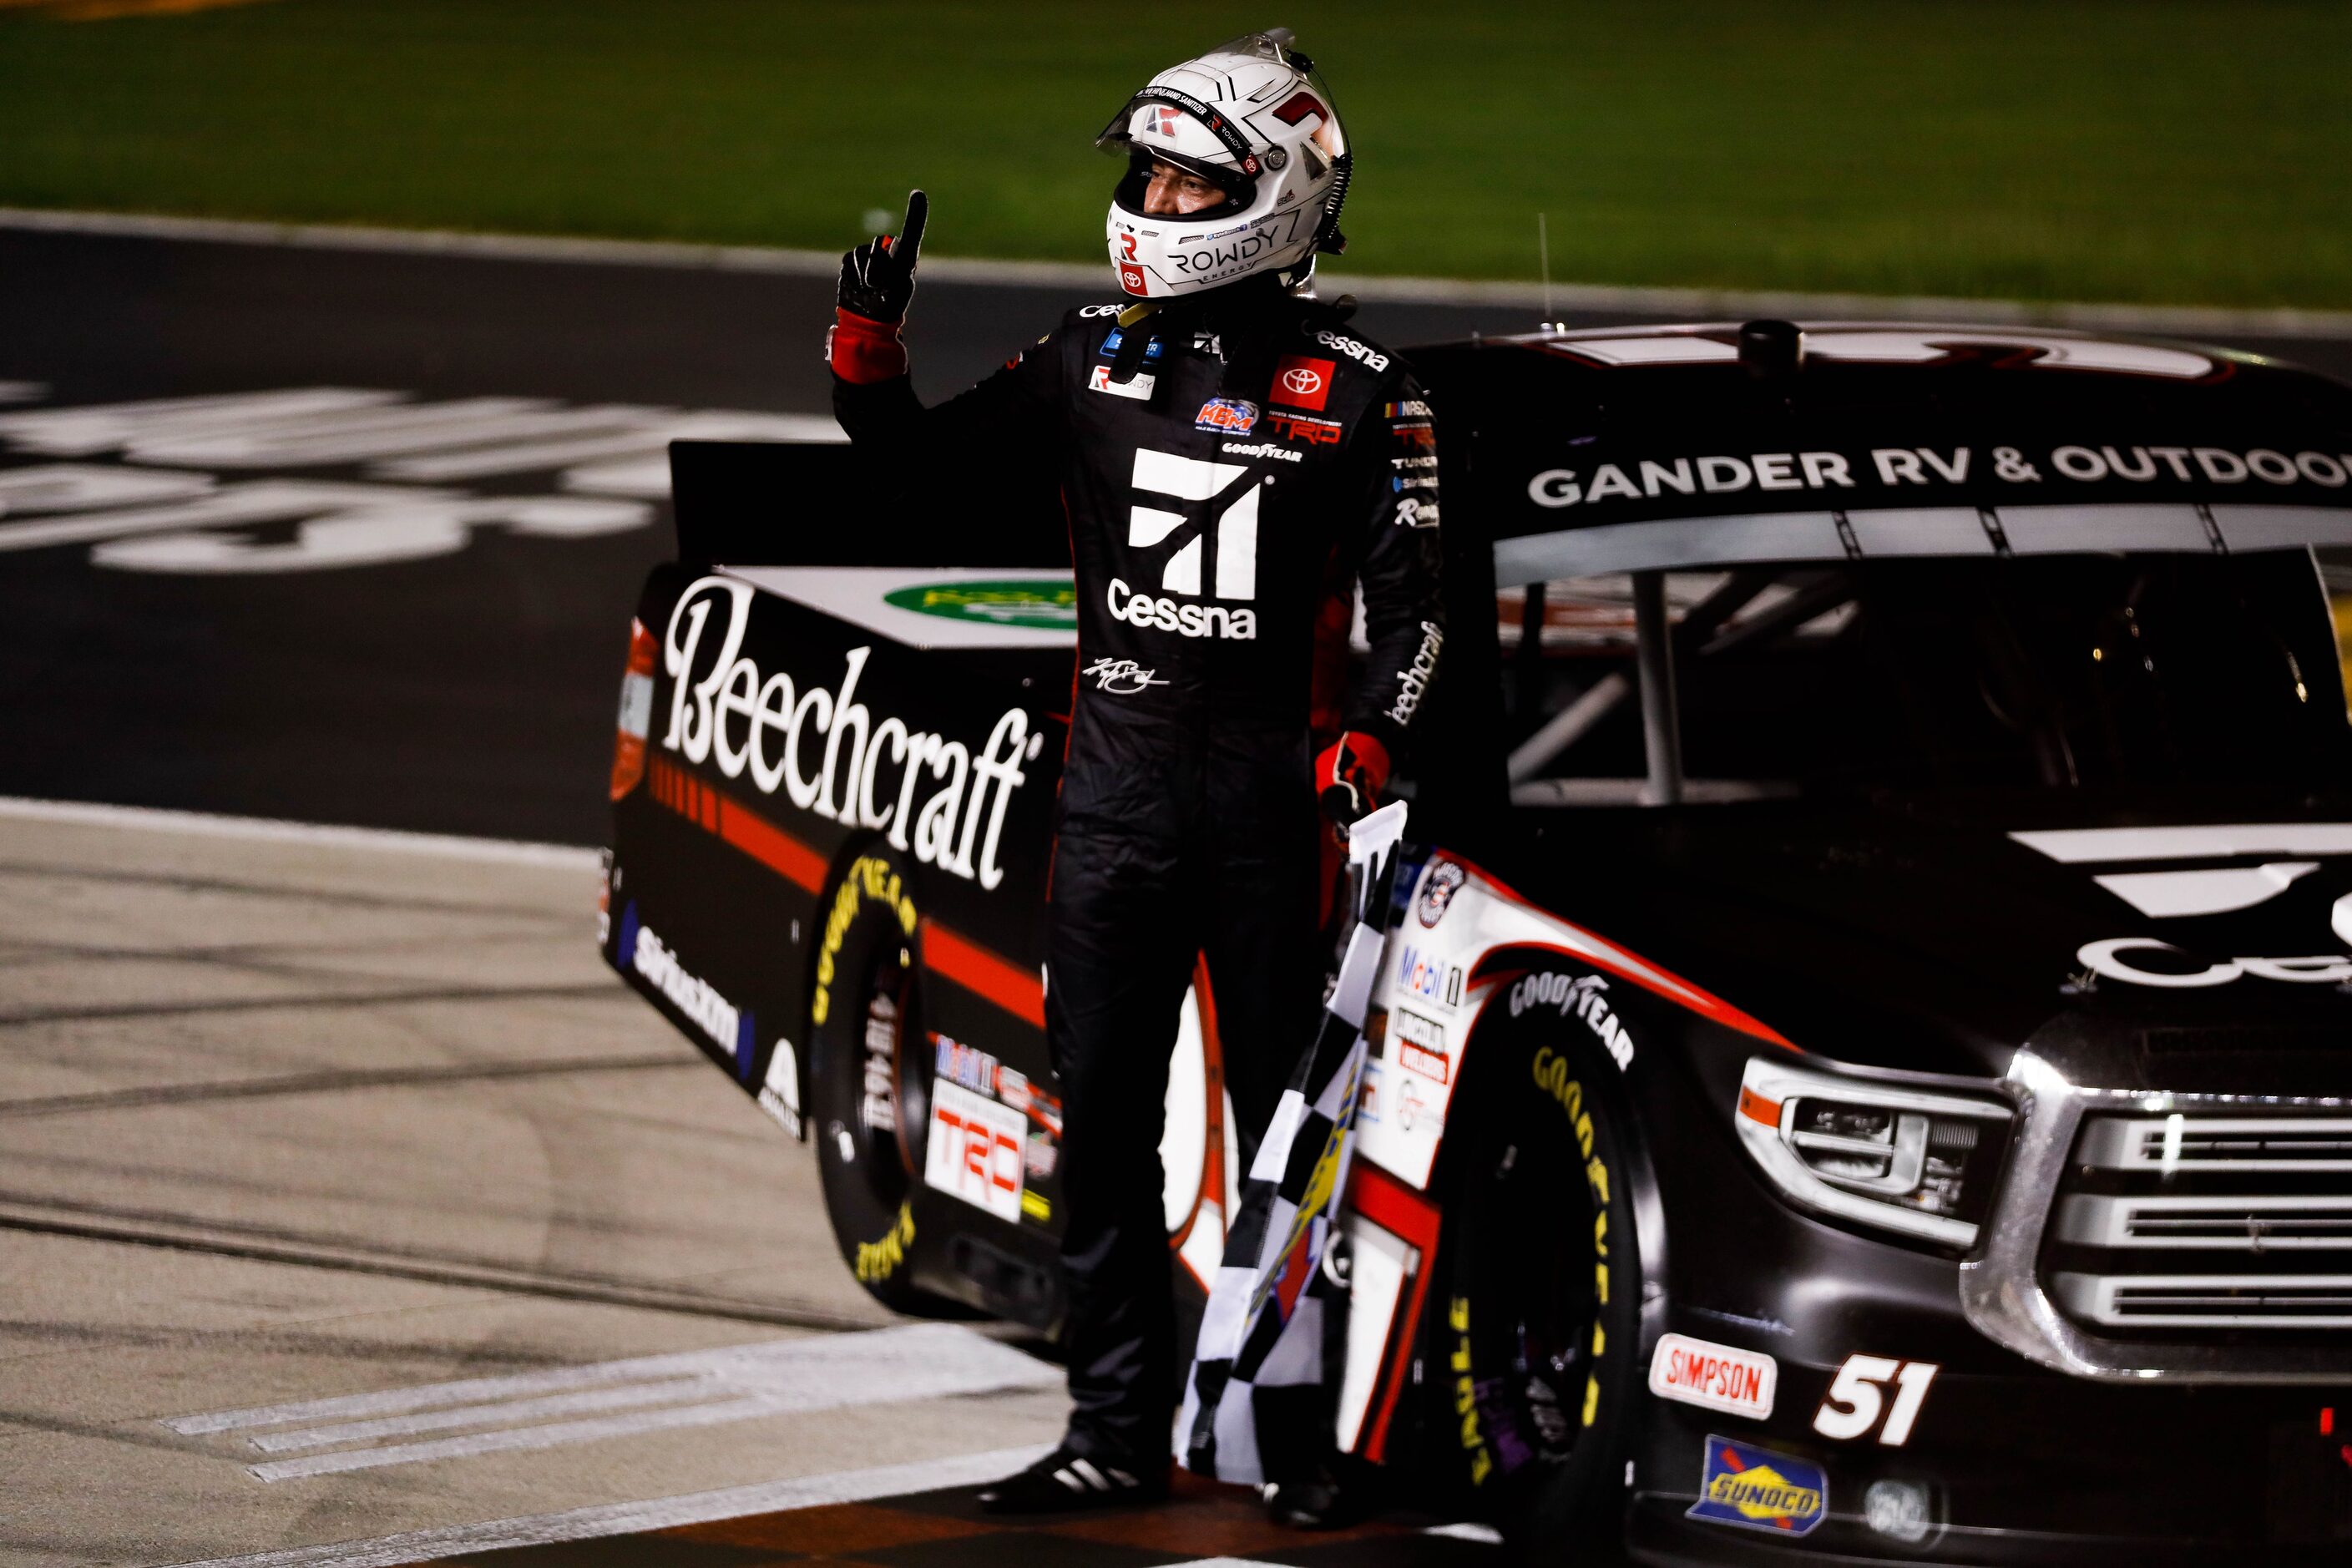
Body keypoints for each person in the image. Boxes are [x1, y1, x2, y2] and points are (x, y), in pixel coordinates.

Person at [827, 28, 1444, 1516]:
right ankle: (1112, 1425)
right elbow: (908, 465)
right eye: (1150, 173)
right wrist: (867, 344)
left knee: (1290, 1131)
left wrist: (1371, 732)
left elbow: (1415, 613)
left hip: (1271, 813)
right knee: (1097, 1118)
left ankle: (1296, 1435)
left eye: (1185, 177)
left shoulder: (1368, 390)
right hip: (1110, 803)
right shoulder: (1082, 350)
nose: (1153, 201)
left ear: (1274, 195)